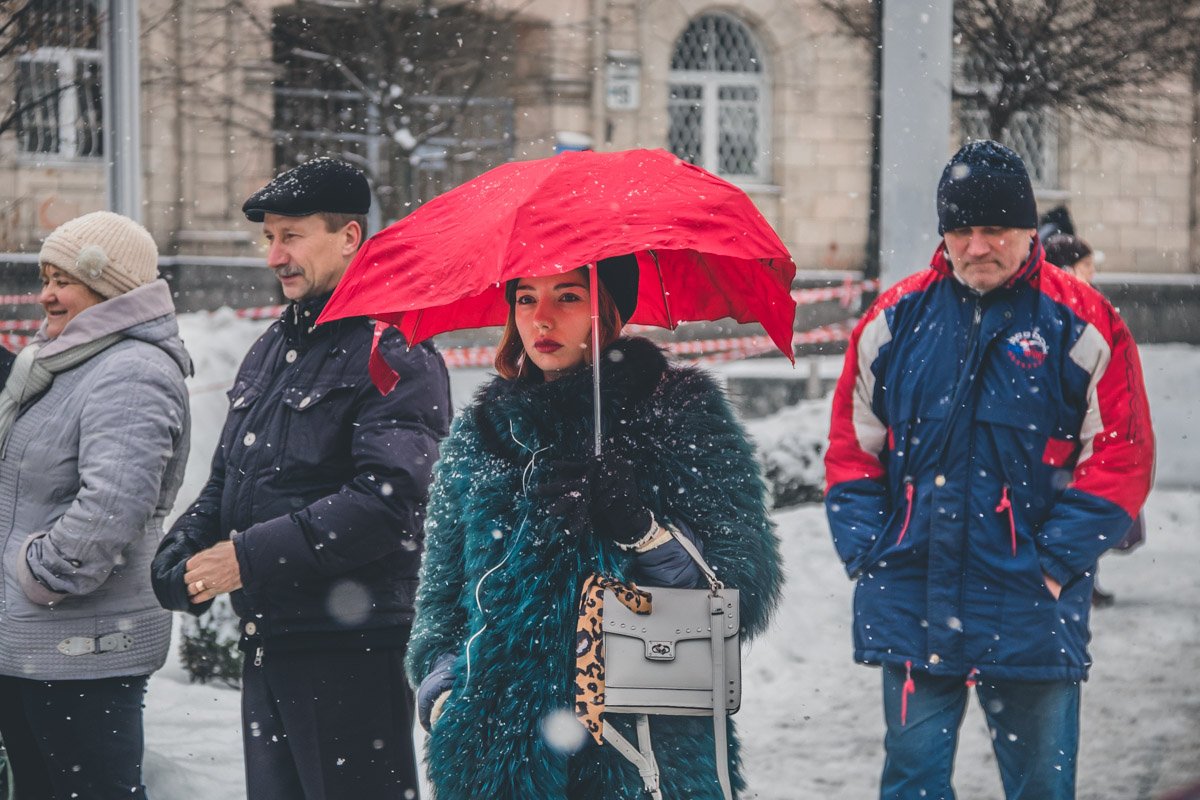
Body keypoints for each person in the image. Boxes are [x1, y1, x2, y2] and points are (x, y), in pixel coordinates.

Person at [824, 140, 1155, 800]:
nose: (976, 247)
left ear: (1029, 231)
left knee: (1040, 789)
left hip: (1030, 606)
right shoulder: (893, 321)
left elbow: (1122, 456)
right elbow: (851, 450)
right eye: (961, 231)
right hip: (914, 598)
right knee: (912, 784)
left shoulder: (1083, 323)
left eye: (995, 229)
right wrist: (869, 552)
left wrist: (1052, 565)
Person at [405, 258, 783, 799]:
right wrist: (447, 694)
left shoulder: (677, 414)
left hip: (644, 750)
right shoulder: (482, 433)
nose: (542, 318)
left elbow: (740, 587)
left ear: (606, 310)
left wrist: (639, 530)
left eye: (568, 296)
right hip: (497, 755)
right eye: (525, 298)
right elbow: (441, 599)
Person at [151, 158, 452, 800]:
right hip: (272, 639)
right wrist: (184, 552)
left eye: (291, 236)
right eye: (269, 238)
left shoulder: (391, 345)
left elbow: (391, 501)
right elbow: (231, 477)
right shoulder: (272, 348)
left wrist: (247, 558)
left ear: (348, 237)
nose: (274, 256)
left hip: (351, 647)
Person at [0, 211, 192, 799]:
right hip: (34, 642)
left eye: (63, 281)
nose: (46, 295)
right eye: (45, 278)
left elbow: (112, 505)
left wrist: (41, 573)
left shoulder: (131, 370)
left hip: (84, 646)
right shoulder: (67, 360)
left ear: (111, 287)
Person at [1043, 231, 1146, 608]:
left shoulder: (1088, 309)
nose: (1092, 272)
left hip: (1082, 440)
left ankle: (1078, 575)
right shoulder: (1062, 312)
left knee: (1081, 510)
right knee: (1067, 510)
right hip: (1063, 443)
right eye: (1086, 265)